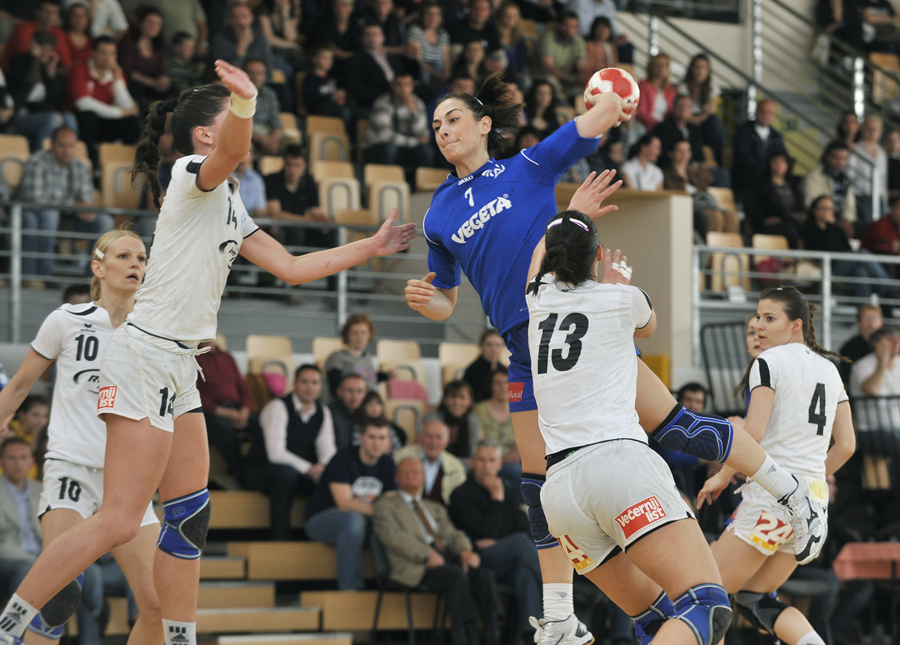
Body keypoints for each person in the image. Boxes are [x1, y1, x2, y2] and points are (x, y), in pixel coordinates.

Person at [0, 60, 414, 645]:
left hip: (179, 366)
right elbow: (233, 152)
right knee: (119, 521)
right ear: (205, 134)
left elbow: (293, 268)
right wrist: (245, 102)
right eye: (230, 117)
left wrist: (371, 246)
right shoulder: (192, 171)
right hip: (144, 355)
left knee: (190, 515)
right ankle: (9, 624)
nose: (240, 127)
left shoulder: (229, 200)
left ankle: (178, 637)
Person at [406, 72, 828, 645]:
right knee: (535, 482)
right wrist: (431, 302)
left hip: (574, 316)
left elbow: (596, 120)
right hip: (525, 345)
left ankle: (790, 492)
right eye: (434, 125)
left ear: (484, 124)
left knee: (678, 426)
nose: (442, 131)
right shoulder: (439, 213)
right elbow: (449, 297)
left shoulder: (528, 165)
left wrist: (614, 99)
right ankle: (559, 617)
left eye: (452, 119)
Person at [527, 209, 734, 645]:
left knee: (661, 621)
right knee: (705, 607)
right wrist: (617, 282)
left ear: (548, 259)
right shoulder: (623, 299)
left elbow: (538, 261)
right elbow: (647, 327)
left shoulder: (536, 297)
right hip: (617, 466)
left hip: (560, 493)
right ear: (599, 255)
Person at [0, 230, 163, 645]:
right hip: (71, 465)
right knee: (61, 594)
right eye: (124, 256)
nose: (135, 265)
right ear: (98, 267)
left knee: (159, 606)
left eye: (142, 258)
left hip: (127, 482)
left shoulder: (155, 330)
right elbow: (19, 386)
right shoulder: (66, 320)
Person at [698, 285, 856, 645]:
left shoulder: (769, 361)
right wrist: (812, 476)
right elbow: (846, 445)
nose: (760, 326)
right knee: (754, 599)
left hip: (774, 498)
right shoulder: (830, 370)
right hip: (813, 504)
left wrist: (722, 475)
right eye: (757, 317)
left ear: (795, 325)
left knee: (703, 596)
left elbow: (750, 434)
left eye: (770, 318)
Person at [373, 456, 502, 645]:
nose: (410, 476)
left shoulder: (434, 507)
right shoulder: (385, 506)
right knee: (456, 575)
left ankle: (493, 632)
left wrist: (465, 551)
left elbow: (453, 533)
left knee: (483, 575)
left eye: (415, 472)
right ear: (397, 478)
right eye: (405, 472)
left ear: (423, 477)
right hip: (416, 563)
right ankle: (464, 635)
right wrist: (427, 553)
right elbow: (395, 538)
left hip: (445, 557)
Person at [449, 439, 539, 645]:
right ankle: (565, 587)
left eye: (491, 460)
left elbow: (523, 527)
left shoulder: (506, 489)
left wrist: (499, 537)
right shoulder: (461, 494)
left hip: (509, 559)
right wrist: (496, 499)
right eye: (481, 460)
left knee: (524, 572)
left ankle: (531, 636)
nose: (487, 466)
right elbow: (487, 530)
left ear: (499, 464)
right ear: (472, 462)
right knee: (518, 543)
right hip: (478, 559)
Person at [304, 420, 396, 590]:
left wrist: (388, 514)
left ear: (388, 441)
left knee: (389, 522)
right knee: (353, 520)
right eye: (372, 437)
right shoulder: (343, 458)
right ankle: (350, 588)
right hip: (321, 521)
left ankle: (391, 583)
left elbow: (392, 502)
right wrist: (382, 512)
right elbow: (344, 503)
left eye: (382, 438)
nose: (377, 443)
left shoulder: (388, 464)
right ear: (361, 438)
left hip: (362, 521)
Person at [248, 364, 336, 541]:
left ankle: (319, 536)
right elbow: (275, 454)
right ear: (294, 384)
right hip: (261, 471)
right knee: (285, 474)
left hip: (300, 472)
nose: (310, 387)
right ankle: (280, 538)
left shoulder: (323, 411)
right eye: (304, 382)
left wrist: (322, 466)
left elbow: (328, 450)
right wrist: (310, 468)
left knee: (331, 474)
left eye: (315, 382)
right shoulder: (278, 407)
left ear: (321, 387)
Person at [18, 126, 113, 288]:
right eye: (62, 146)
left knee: (104, 221)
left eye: (71, 146)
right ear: (51, 145)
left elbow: (85, 200)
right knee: (49, 214)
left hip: (71, 219)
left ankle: (92, 281)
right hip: (40, 215)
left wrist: (86, 210)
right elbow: (36, 200)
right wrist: (72, 205)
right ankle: (44, 276)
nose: (67, 151)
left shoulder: (79, 166)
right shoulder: (38, 161)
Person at [801, 195, 892, 301]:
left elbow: (847, 247)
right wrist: (830, 225)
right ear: (815, 210)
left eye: (830, 208)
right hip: (828, 267)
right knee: (862, 253)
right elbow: (826, 249)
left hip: (844, 264)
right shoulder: (810, 230)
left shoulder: (836, 228)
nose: (828, 212)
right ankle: (887, 286)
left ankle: (863, 309)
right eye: (824, 208)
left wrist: (833, 226)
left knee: (861, 272)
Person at [66, 36, 141, 164]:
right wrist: (120, 113)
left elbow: (128, 106)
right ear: (93, 53)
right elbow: (83, 103)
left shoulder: (117, 73)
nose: (108, 58)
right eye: (103, 52)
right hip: (78, 121)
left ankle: (129, 167)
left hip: (104, 121)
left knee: (132, 122)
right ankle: (91, 164)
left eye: (112, 53)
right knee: (89, 116)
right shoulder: (79, 69)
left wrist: (117, 80)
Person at [194, 336, 252, 486]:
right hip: (210, 412)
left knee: (262, 428)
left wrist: (244, 410)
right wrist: (225, 413)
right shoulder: (193, 356)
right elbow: (194, 392)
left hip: (236, 409)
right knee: (227, 435)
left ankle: (256, 474)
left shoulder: (227, 357)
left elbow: (243, 388)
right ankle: (242, 480)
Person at [7, 31, 76, 152]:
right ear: (33, 46)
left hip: (41, 113)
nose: (46, 53)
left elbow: (54, 101)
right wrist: (33, 58)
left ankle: (70, 157)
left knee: (69, 118)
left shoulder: (47, 69)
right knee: (53, 119)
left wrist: (50, 74)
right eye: (43, 49)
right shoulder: (19, 61)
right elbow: (23, 83)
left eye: (49, 50)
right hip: (19, 114)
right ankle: (42, 158)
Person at [363, 72, 434, 182]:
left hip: (404, 147)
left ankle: (417, 190)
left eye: (407, 85)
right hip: (377, 147)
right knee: (390, 149)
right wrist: (414, 141)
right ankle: (387, 187)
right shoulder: (382, 103)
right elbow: (385, 136)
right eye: (399, 85)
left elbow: (423, 135)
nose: (403, 89)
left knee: (426, 152)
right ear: (393, 86)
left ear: (412, 87)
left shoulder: (417, 103)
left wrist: (414, 113)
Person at [264, 145, 334, 253]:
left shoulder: (309, 182)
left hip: (301, 227)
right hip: (282, 228)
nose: (292, 170)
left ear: (304, 166)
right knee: (295, 231)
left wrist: (323, 220)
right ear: (284, 164)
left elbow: (316, 210)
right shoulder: (272, 180)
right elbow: (275, 213)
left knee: (330, 231)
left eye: (297, 166)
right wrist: (308, 221)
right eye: (289, 165)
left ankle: (327, 267)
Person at [394, 416, 466, 505]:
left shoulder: (455, 466)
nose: (433, 442)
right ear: (419, 438)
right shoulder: (401, 457)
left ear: (447, 441)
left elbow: (460, 499)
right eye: (429, 436)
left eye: (438, 437)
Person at [743, 148, 805, 248]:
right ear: (769, 163)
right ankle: (793, 260)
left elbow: (800, 206)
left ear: (788, 165)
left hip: (793, 221)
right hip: (768, 225)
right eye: (775, 161)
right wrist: (764, 219)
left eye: (782, 161)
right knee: (790, 232)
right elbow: (750, 205)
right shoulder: (760, 184)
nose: (778, 165)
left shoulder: (794, 184)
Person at [471, 367, 520, 489]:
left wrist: (516, 454)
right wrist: (497, 458)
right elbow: (479, 441)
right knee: (517, 473)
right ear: (490, 385)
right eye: (497, 383)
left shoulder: (519, 409)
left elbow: (524, 437)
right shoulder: (480, 409)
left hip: (513, 461)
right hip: (487, 461)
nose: (503, 387)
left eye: (507, 382)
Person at [801, 141, 857, 238]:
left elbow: (850, 207)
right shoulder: (814, 176)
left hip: (839, 220)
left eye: (844, 158)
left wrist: (847, 220)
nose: (840, 162)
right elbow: (812, 204)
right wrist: (833, 220)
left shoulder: (845, 179)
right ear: (827, 157)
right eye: (836, 157)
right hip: (819, 221)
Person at [343, 22, 405, 111]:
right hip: (377, 102)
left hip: (401, 96)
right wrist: (390, 95)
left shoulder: (393, 58)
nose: (372, 38)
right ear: (362, 39)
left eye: (375, 34)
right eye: (368, 35)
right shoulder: (355, 60)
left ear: (383, 37)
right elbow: (358, 89)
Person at [117, 7, 170, 111]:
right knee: (136, 88)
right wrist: (153, 83)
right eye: (150, 22)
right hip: (134, 84)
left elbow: (161, 68)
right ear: (140, 23)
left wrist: (164, 78)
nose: (155, 27)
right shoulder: (129, 41)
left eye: (158, 24)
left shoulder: (158, 44)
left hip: (153, 84)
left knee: (173, 91)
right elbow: (129, 72)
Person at [324, 313, 388, 397]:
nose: (359, 337)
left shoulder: (368, 357)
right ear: (347, 335)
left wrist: (386, 375)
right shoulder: (337, 357)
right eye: (355, 333)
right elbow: (335, 389)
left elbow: (370, 379)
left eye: (363, 333)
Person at [676, 53, 725, 164]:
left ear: (708, 71)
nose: (699, 71)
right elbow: (682, 110)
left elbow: (712, 110)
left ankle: (718, 158)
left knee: (714, 121)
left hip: (704, 120)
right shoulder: (683, 87)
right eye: (697, 67)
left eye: (703, 67)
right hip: (688, 119)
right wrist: (694, 119)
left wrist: (699, 119)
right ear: (691, 69)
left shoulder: (713, 87)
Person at [732, 99, 785, 195]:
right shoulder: (744, 131)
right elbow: (744, 158)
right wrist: (767, 171)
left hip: (769, 178)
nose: (765, 115)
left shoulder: (776, 135)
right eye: (762, 111)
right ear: (756, 112)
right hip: (747, 177)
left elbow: (782, 156)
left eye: (769, 112)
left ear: (774, 115)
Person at [1, 1, 72, 71]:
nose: (50, 16)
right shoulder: (24, 29)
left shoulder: (59, 34)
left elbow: (66, 63)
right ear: (37, 12)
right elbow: (26, 57)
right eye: (46, 11)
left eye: (54, 13)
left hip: (46, 75)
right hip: (16, 73)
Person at [208, 0, 272, 72]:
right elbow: (224, 72)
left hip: (256, 82)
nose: (240, 21)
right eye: (235, 17)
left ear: (251, 18)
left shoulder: (260, 38)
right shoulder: (219, 39)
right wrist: (241, 47)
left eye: (244, 16)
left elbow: (268, 70)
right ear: (229, 19)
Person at [850, 114, 888, 233]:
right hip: (861, 196)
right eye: (869, 128)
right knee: (866, 230)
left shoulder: (881, 153)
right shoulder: (856, 149)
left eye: (875, 129)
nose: (872, 132)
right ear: (863, 130)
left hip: (879, 198)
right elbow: (850, 174)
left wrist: (884, 202)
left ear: (880, 132)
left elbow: (883, 180)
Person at [537, 12, 586, 100]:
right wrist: (571, 78)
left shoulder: (578, 40)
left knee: (588, 90)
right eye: (566, 26)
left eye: (574, 27)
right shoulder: (548, 38)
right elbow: (548, 69)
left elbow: (581, 67)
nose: (569, 30)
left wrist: (582, 77)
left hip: (567, 81)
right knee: (552, 81)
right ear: (559, 25)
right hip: (542, 78)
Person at [652, 93, 704, 170]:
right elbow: (664, 155)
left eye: (687, 106)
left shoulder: (694, 129)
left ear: (691, 110)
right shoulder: (663, 128)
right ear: (674, 108)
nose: (684, 109)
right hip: (670, 169)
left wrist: (702, 166)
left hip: (693, 168)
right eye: (680, 105)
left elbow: (700, 154)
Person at [244, 57, 283, 155]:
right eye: (251, 72)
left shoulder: (270, 94)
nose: (255, 76)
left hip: (267, 132)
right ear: (244, 75)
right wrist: (264, 140)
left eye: (259, 73)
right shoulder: (236, 93)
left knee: (292, 139)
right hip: (247, 132)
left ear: (265, 75)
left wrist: (273, 139)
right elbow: (239, 125)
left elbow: (277, 124)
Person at [839, 304, 884, 384]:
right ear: (858, 323)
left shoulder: (890, 345)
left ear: (881, 321)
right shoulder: (849, 348)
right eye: (866, 318)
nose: (871, 322)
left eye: (875, 317)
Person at [436, 380, 481, 460]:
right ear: (444, 399)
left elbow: (474, 454)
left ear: (470, 401)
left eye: (462, 397)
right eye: (453, 397)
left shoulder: (473, 421)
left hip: (467, 467)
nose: (457, 402)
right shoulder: (434, 418)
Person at [635, 53, 675, 133]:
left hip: (663, 128)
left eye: (664, 65)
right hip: (644, 126)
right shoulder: (644, 85)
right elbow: (641, 112)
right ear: (651, 67)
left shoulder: (670, 90)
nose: (661, 68)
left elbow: (670, 112)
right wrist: (659, 125)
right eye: (658, 65)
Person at [463, 329, 506, 403]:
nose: (494, 349)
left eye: (498, 345)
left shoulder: (505, 370)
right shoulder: (472, 371)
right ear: (481, 347)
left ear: (502, 348)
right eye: (489, 345)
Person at [329, 373, 369, 450]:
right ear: (339, 392)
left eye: (359, 391)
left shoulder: (367, 412)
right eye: (349, 391)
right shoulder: (328, 414)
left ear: (365, 393)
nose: (354, 396)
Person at [494, 2, 530, 86]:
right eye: (507, 15)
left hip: (515, 75)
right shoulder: (494, 35)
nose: (510, 18)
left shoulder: (520, 39)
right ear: (501, 16)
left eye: (514, 16)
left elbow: (522, 63)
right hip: (498, 74)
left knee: (526, 81)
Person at [862, 192, 900, 259]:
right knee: (862, 254)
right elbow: (883, 256)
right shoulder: (881, 225)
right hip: (872, 263)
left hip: (889, 265)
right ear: (892, 208)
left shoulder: (896, 227)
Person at [580, 17, 616, 86]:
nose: (602, 31)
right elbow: (587, 68)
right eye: (599, 28)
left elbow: (614, 68)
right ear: (594, 29)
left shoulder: (611, 47)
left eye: (605, 28)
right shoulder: (588, 45)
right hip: (590, 81)